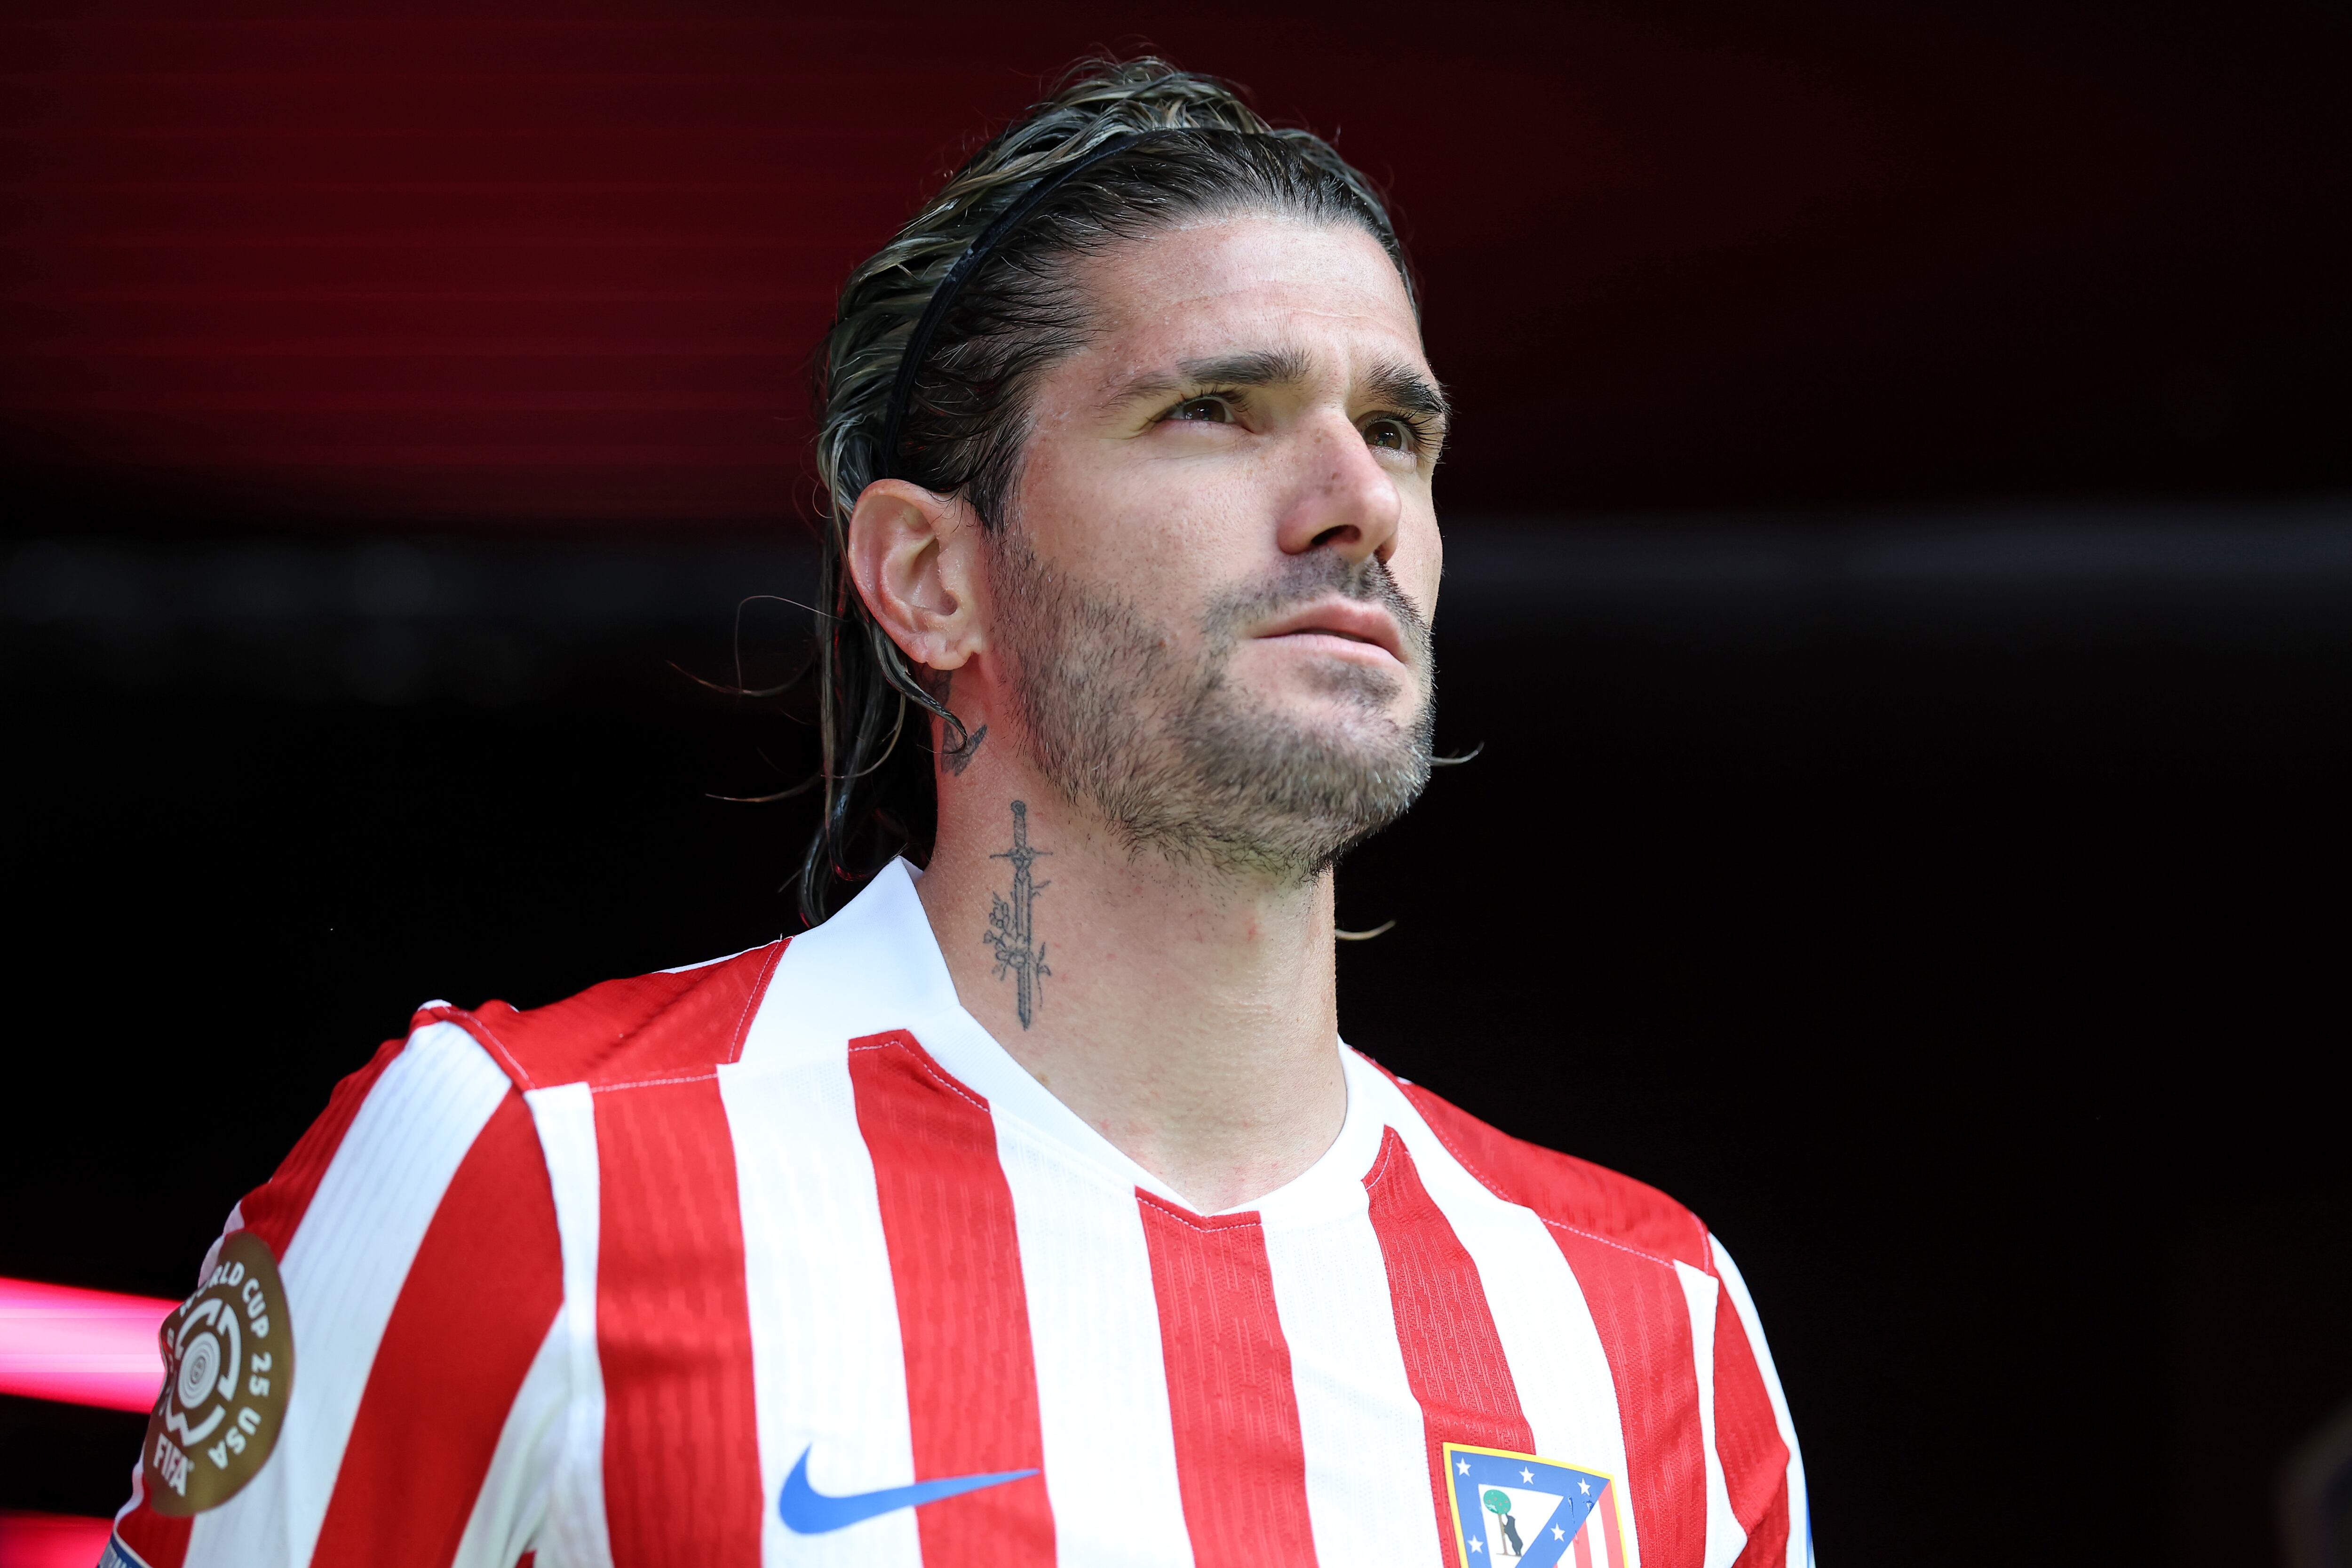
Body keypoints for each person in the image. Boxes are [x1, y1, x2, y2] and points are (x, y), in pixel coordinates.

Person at [106, 58, 1809, 1568]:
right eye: (1214, 409)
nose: (1357, 502)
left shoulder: (1645, 1321)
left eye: (1395, 430)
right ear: (930, 576)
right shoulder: (531, 1168)